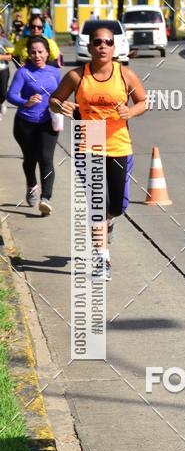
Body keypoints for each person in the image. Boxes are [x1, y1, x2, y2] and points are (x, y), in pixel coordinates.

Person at [50, 24, 147, 281]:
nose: (102, 46)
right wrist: (62, 106)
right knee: (95, 204)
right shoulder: (76, 76)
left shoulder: (125, 75)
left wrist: (131, 111)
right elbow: (54, 99)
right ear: (89, 46)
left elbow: (143, 101)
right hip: (89, 142)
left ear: (114, 48)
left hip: (118, 143)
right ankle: (102, 259)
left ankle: (109, 220)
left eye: (107, 42)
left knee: (117, 205)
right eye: (97, 42)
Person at [7, 36, 61, 214]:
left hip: (47, 122)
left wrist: (61, 104)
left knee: (46, 159)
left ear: (47, 53)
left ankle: (46, 198)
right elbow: (11, 95)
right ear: (28, 54)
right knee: (30, 159)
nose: (37, 55)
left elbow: (61, 94)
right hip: (25, 124)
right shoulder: (23, 72)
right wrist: (26, 102)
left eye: (40, 52)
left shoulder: (55, 72)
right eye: (33, 52)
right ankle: (31, 185)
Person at [0, 25, 12, 119]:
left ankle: (1, 102)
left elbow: (11, 55)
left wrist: (8, 56)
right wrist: (4, 57)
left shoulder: (4, 41)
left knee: (3, 92)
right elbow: (7, 57)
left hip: (3, 70)